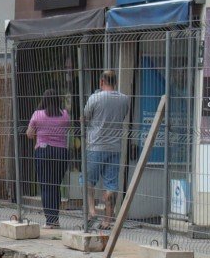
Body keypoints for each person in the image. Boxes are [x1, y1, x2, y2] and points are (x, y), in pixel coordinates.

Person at [81, 71, 132, 229]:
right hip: (115, 147)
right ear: (115, 82)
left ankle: (91, 211)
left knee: (88, 181)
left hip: (95, 145)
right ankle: (107, 221)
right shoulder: (124, 99)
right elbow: (123, 117)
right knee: (111, 185)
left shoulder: (95, 98)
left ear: (102, 81)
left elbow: (85, 118)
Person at [25, 90, 72, 227]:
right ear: (58, 100)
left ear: (44, 100)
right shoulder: (65, 115)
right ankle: (55, 219)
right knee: (55, 186)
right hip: (61, 152)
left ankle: (50, 220)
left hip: (44, 151)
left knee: (46, 186)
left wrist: (39, 133)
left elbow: (29, 134)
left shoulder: (37, 115)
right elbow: (67, 129)